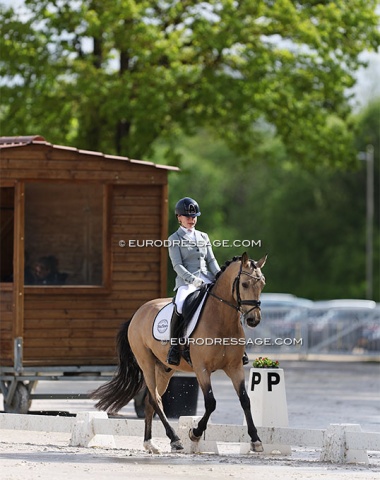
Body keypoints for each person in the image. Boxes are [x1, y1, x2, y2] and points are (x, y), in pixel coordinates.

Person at [166, 197, 221, 366]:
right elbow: (177, 266)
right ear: (179, 217)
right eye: (188, 216)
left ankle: (238, 347)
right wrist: (193, 280)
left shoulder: (203, 236)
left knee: (229, 300)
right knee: (181, 305)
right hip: (187, 281)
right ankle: (175, 347)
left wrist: (219, 275)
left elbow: (211, 260)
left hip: (207, 277)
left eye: (194, 216)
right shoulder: (174, 238)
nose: (192, 219)